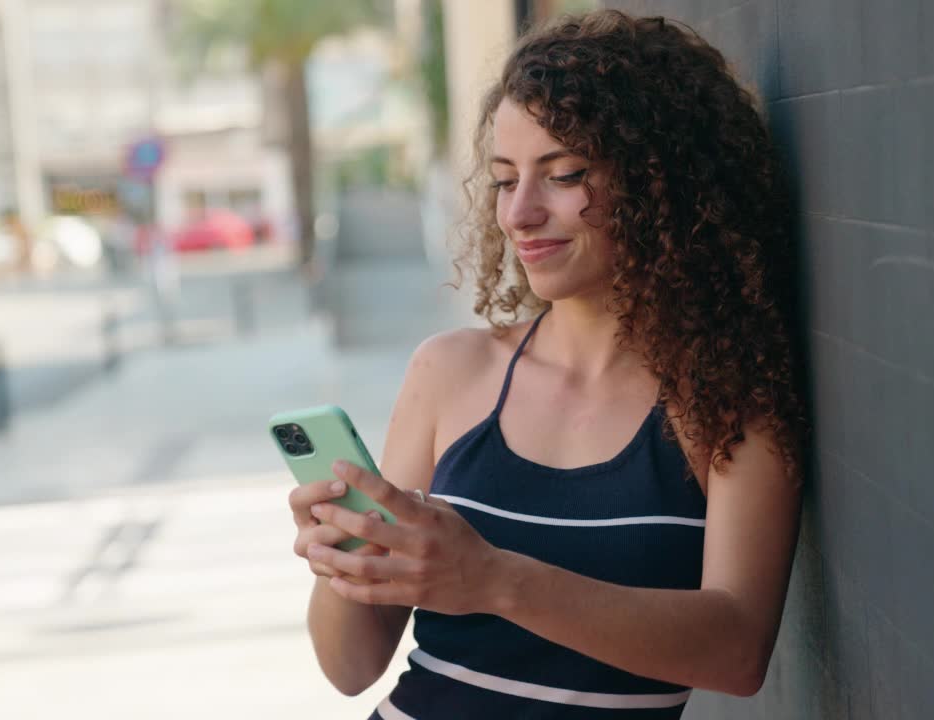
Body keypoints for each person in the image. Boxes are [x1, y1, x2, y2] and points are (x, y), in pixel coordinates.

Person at [288, 10, 806, 719]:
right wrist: (343, 558)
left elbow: (738, 651)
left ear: (664, 183)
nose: (520, 214)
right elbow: (350, 668)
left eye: (563, 175)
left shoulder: (727, 392)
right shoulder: (451, 370)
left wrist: (491, 578)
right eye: (504, 181)